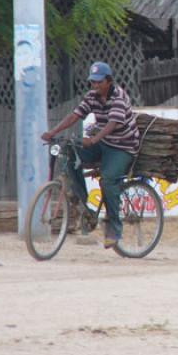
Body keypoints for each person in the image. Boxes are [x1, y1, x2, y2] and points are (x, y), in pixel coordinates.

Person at [41, 61, 140, 248]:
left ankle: (114, 228)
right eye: (92, 82)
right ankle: (85, 208)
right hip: (103, 142)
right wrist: (52, 132)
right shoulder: (92, 96)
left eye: (98, 82)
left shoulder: (119, 96)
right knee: (70, 154)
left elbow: (112, 124)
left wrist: (94, 139)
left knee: (108, 180)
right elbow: (75, 115)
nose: (94, 86)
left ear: (108, 81)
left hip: (123, 146)